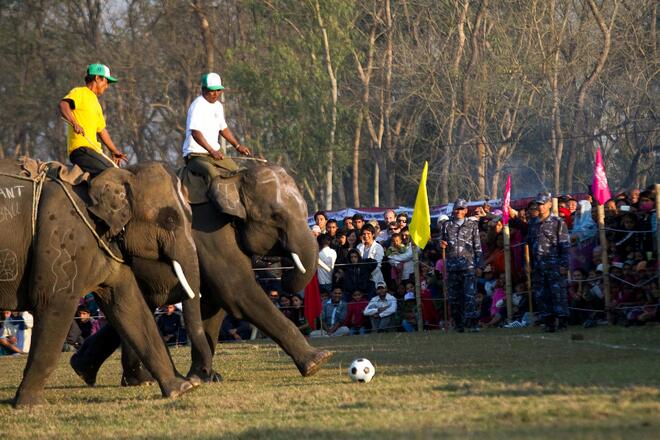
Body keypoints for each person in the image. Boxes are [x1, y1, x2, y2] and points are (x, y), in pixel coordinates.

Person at [182, 72, 252, 184]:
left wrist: (237, 146)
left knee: (237, 172)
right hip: (196, 155)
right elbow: (195, 133)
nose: (215, 94)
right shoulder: (197, 106)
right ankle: (216, 201)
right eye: (212, 90)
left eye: (218, 90)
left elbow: (223, 129)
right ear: (204, 90)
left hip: (214, 153)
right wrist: (211, 151)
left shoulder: (218, 106)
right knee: (212, 173)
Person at [59, 63, 127, 175]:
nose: (107, 86)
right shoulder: (80, 92)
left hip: (93, 152)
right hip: (81, 150)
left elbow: (102, 131)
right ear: (97, 78)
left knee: (118, 173)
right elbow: (63, 105)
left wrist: (114, 151)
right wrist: (74, 122)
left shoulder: (96, 103)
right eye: (106, 81)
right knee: (111, 174)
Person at [527, 193, 570, 332]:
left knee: (558, 294)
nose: (540, 206)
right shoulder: (533, 223)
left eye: (542, 203)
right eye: (538, 204)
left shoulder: (558, 222)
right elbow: (529, 243)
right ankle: (548, 322)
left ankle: (562, 321)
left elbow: (564, 245)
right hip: (538, 265)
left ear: (550, 204)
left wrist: (564, 265)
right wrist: (528, 263)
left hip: (554, 265)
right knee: (541, 295)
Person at [440, 198, 483, 332]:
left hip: (468, 266)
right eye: (456, 209)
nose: (458, 211)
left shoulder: (472, 225)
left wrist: (479, 265)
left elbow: (478, 246)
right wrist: (440, 245)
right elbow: (440, 243)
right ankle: (459, 324)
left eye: (461, 209)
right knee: (454, 298)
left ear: (465, 210)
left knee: (470, 296)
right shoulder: (446, 225)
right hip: (452, 267)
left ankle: (472, 324)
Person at [356, 224, 385, 297]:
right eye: (364, 234)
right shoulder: (359, 246)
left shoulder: (378, 247)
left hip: (374, 277)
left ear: (373, 234)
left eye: (368, 233)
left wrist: (368, 274)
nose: (366, 236)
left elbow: (378, 265)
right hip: (361, 279)